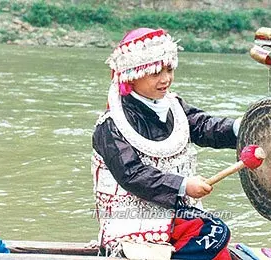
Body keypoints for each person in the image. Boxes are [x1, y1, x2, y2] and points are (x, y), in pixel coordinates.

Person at [92, 27, 241, 260]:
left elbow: (203, 126)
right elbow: (132, 174)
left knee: (218, 245)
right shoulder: (110, 125)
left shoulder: (174, 106)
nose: (165, 79)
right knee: (214, 231)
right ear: (132, 76)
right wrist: (183, 185)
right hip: (131, 220)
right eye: (155, 73)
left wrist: (241, 127)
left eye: (169, 69)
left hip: (174, 213)